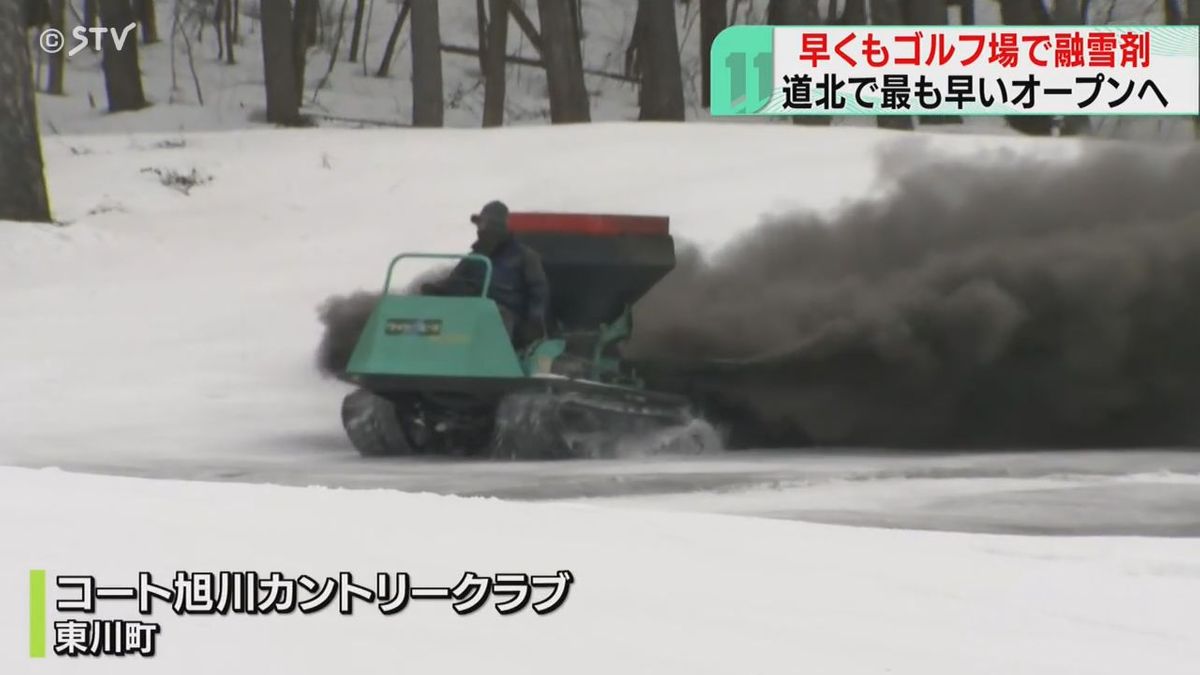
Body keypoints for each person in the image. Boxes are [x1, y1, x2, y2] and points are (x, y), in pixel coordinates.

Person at [421, 200, 550, 346]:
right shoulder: (475, 258)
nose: (479, 229)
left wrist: (535, 320)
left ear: (495, 225)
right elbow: (455, 280)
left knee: (492, 316)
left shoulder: (524, 256)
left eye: (483, 224)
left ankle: (493, 361)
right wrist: (440, 290)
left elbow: (538, 291)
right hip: (474, 311)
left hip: (505, 313)